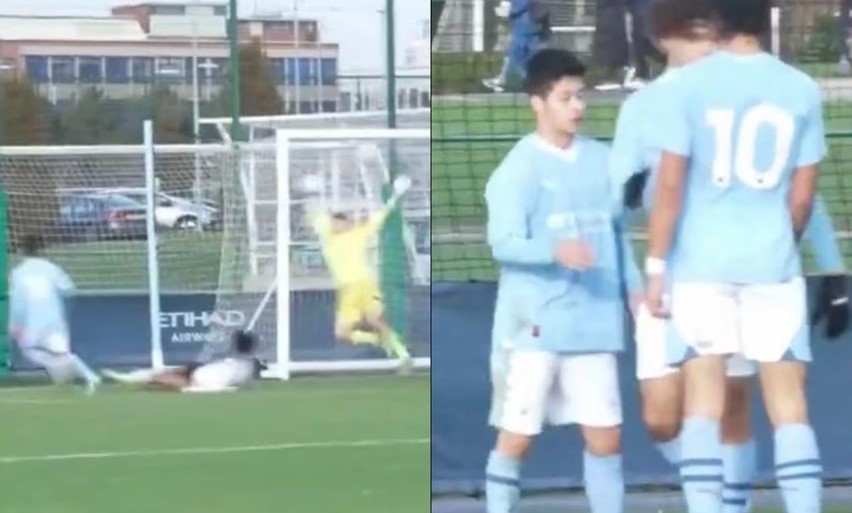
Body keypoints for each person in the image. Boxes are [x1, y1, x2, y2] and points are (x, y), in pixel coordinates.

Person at [612, 1, 848, 511]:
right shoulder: (801, 87)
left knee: (704, 405)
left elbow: (670, 185)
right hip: (773, 266)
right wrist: (787, 243)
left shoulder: (690, 87)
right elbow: (805, 196)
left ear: (718, 22)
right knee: (789, 407)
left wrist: (654, 269)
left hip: (699, 267)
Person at [484, 48, 642, 513]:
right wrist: (554, 251)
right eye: (566, 97)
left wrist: (633, 289)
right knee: (517, 439)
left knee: (606, 439)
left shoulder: (603, 160)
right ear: (538, 102)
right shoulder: (517, 170)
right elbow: (503, 244)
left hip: (594, 323)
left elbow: (618, 232)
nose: (578, 106)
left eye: (581, 96)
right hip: (536, 326)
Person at [309, 177, 413, 372]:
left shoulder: (360, 233)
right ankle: (380, 341)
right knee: (342, 333)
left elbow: (382, 214)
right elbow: (318, 215)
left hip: (365, 284)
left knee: (376, 320)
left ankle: (403, 355)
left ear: (347, 223)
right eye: (334, 221)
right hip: (348, 289)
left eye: (340, 221)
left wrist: (396, 195)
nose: (336, 224)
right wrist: (317, 193)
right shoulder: (328, 237)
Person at [9, 233, 100, 394]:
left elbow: (18, 301)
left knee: (29, 350)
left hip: (33, 321)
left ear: (22, 250)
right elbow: (69, 290)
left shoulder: (19, 272)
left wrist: (15, 323)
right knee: (60, 353)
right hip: (53, 318)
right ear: (43, 249)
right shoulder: (51, 268)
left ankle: (83, 377)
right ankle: (84, 377)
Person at [102, 330, 260, 392]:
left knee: (162, 377)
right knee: (165, 374)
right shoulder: (246, 364)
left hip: (201, 378)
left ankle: (132, 380)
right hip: (201, 374)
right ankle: (131, 379)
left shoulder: (240, 362)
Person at [483, 0, 552, 92]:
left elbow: (511, 11)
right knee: (517, 58)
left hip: (525, 34)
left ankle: (505, 80)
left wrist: (504, 12)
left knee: (518, 59)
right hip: (530, 34)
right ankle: (502, 79)